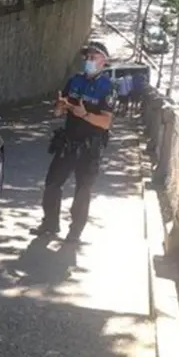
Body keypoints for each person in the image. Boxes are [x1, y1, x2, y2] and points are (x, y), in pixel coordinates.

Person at [32, 41, 114, 241]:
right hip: (68, 142)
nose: (89, 61)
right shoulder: (75, 81)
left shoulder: (107, 87)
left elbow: (106, 122)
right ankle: (50, 223)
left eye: (93, 57)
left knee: (82, 190)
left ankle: (75, 231)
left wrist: (85, 115)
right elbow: (60, 109)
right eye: (87, 57)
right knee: (52, 183)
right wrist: (60, 107)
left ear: (104, 61)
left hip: (90, 147)